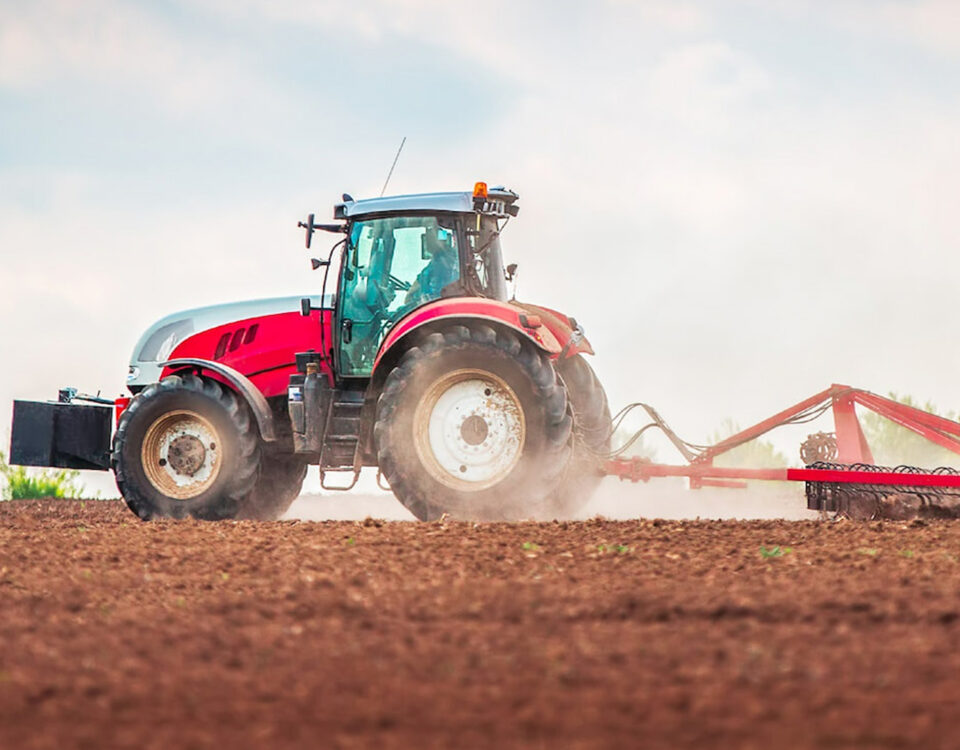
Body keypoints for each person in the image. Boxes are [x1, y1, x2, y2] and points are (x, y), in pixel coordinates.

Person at [404, 229, 459, 307]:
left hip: (437, 306)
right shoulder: (439, 259)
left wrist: (410, 294)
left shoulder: (443, 261)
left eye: (429, 239)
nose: (427, 244)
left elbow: (417, 287)